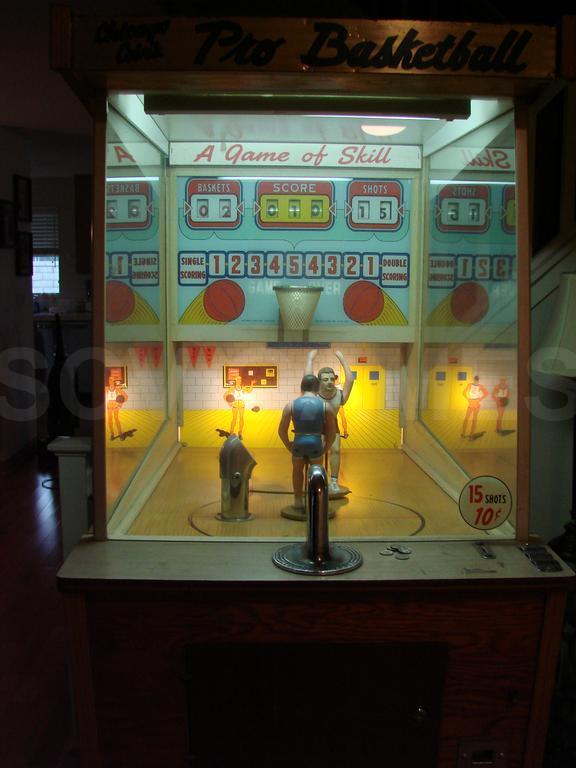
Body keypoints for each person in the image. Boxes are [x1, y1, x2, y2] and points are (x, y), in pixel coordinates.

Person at [278, 374, 337, 512]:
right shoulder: (325, 406)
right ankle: (316, 500)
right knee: (317, 474)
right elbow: (332, 433)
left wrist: (288, 445)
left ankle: (298, 500)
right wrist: (326, 447)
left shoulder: (290, 405)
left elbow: (281, 431)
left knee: (297, 472)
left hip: (298, 442)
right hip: (316, 443)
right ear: (317, 388)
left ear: (301, 387)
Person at [305, 349, 354, 497]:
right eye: (325, 379)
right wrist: (310, 359)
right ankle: (316, 479)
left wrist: (342, 358)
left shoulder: (339, 395)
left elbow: (350, 380)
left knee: (336, 451)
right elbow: (307, 377)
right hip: (317, 426)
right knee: (317, 454)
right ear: (319, 381)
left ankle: (333, 481)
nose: (330, 382)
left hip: (332, 425)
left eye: (332, 379)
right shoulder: (313, 394)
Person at [223, 375, 259, 439]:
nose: (239, 381)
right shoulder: (232, 388)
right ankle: (231, 432)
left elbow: (249, 391)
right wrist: (229, 402)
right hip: (235, 404)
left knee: (241, 418)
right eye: (238, 379)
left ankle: (240, 433)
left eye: (240, 379)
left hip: (242, 404)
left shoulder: (243, 388)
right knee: (234, 418)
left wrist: (252, 384)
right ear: (236, 380)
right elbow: (225, 395)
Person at [106, 375, 128, 441]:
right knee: (109, 420)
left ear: (114, 381)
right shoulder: (106, 388)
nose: (111, 381)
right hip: (109, 407)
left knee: (116, 420)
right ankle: (112, 434)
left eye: (112, 380)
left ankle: (120, 434)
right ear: (109, 381)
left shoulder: (117, 389)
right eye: (110, 380)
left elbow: (126, 396)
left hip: (115, 406)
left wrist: (120, 403)